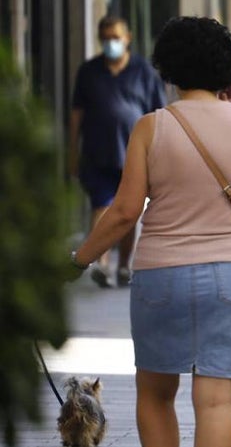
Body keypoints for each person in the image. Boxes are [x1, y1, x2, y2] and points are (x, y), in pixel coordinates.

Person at [69, 16, 231, 447]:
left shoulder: (152, 127)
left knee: (157, 395)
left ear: (169, 67)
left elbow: (127, 211)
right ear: (230, 70)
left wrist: (79, 258)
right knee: (216, 398)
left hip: (163, 274)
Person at [68, 15, 167, 287]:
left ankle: (124, 265)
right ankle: (101, 262)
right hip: (97, 151)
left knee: (128, 210)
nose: (111, 42)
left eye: (116, 37)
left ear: (128, 38)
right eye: (106, 37)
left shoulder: (144, 72)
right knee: (102, 206)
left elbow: (158, 113)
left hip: (133, 153)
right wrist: (72, 151)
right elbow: (77, 114)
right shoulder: (89, 72)